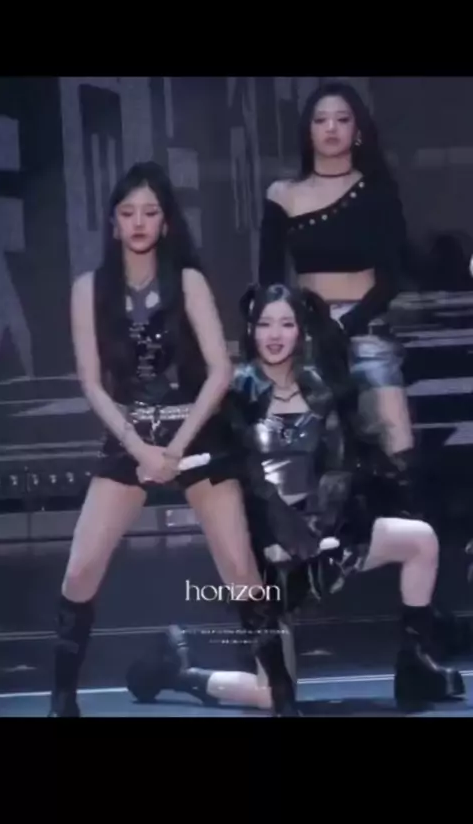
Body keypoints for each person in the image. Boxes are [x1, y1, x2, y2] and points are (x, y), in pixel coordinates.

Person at [125, 284, 467, 713]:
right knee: (272, 694)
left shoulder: (321, 388)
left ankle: (415, 665)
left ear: (300, 330)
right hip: (263, 548)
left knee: (420, 539)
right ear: (251, 330)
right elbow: (239, 479)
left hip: (318, 535)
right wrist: (280, 535)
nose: (275, 334)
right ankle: (180, 672)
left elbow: (339, 469)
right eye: (265, 324)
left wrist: (322, 526)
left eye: (286, 324)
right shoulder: (233, 392)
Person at [48, 162, 297, 718]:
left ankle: (283, 699)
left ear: (165, 222)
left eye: (150, 212)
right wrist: (141, 451)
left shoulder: (187, 282)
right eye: (128, 212)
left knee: (240, 570)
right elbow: (91, 382)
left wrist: (176, 449)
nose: (138, 222)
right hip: (130, 439)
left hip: (196, 434)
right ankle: (62, 700)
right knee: (81, 568)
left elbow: (219, 370)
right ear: (113, 222)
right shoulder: (88, 289)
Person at [257, 81, 418, 514]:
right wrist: (286, 333)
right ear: (307, 130)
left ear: (358, 130)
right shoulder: (283, 195)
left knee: (396, 452)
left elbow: (391, 279)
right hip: (304, 336)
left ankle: (396, 542)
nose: (331, 128)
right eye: (321, 120)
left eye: (342, 120)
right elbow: (269, 281)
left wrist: (347, 325)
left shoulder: (376, 191)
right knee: (300, 462)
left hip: (366, 332)